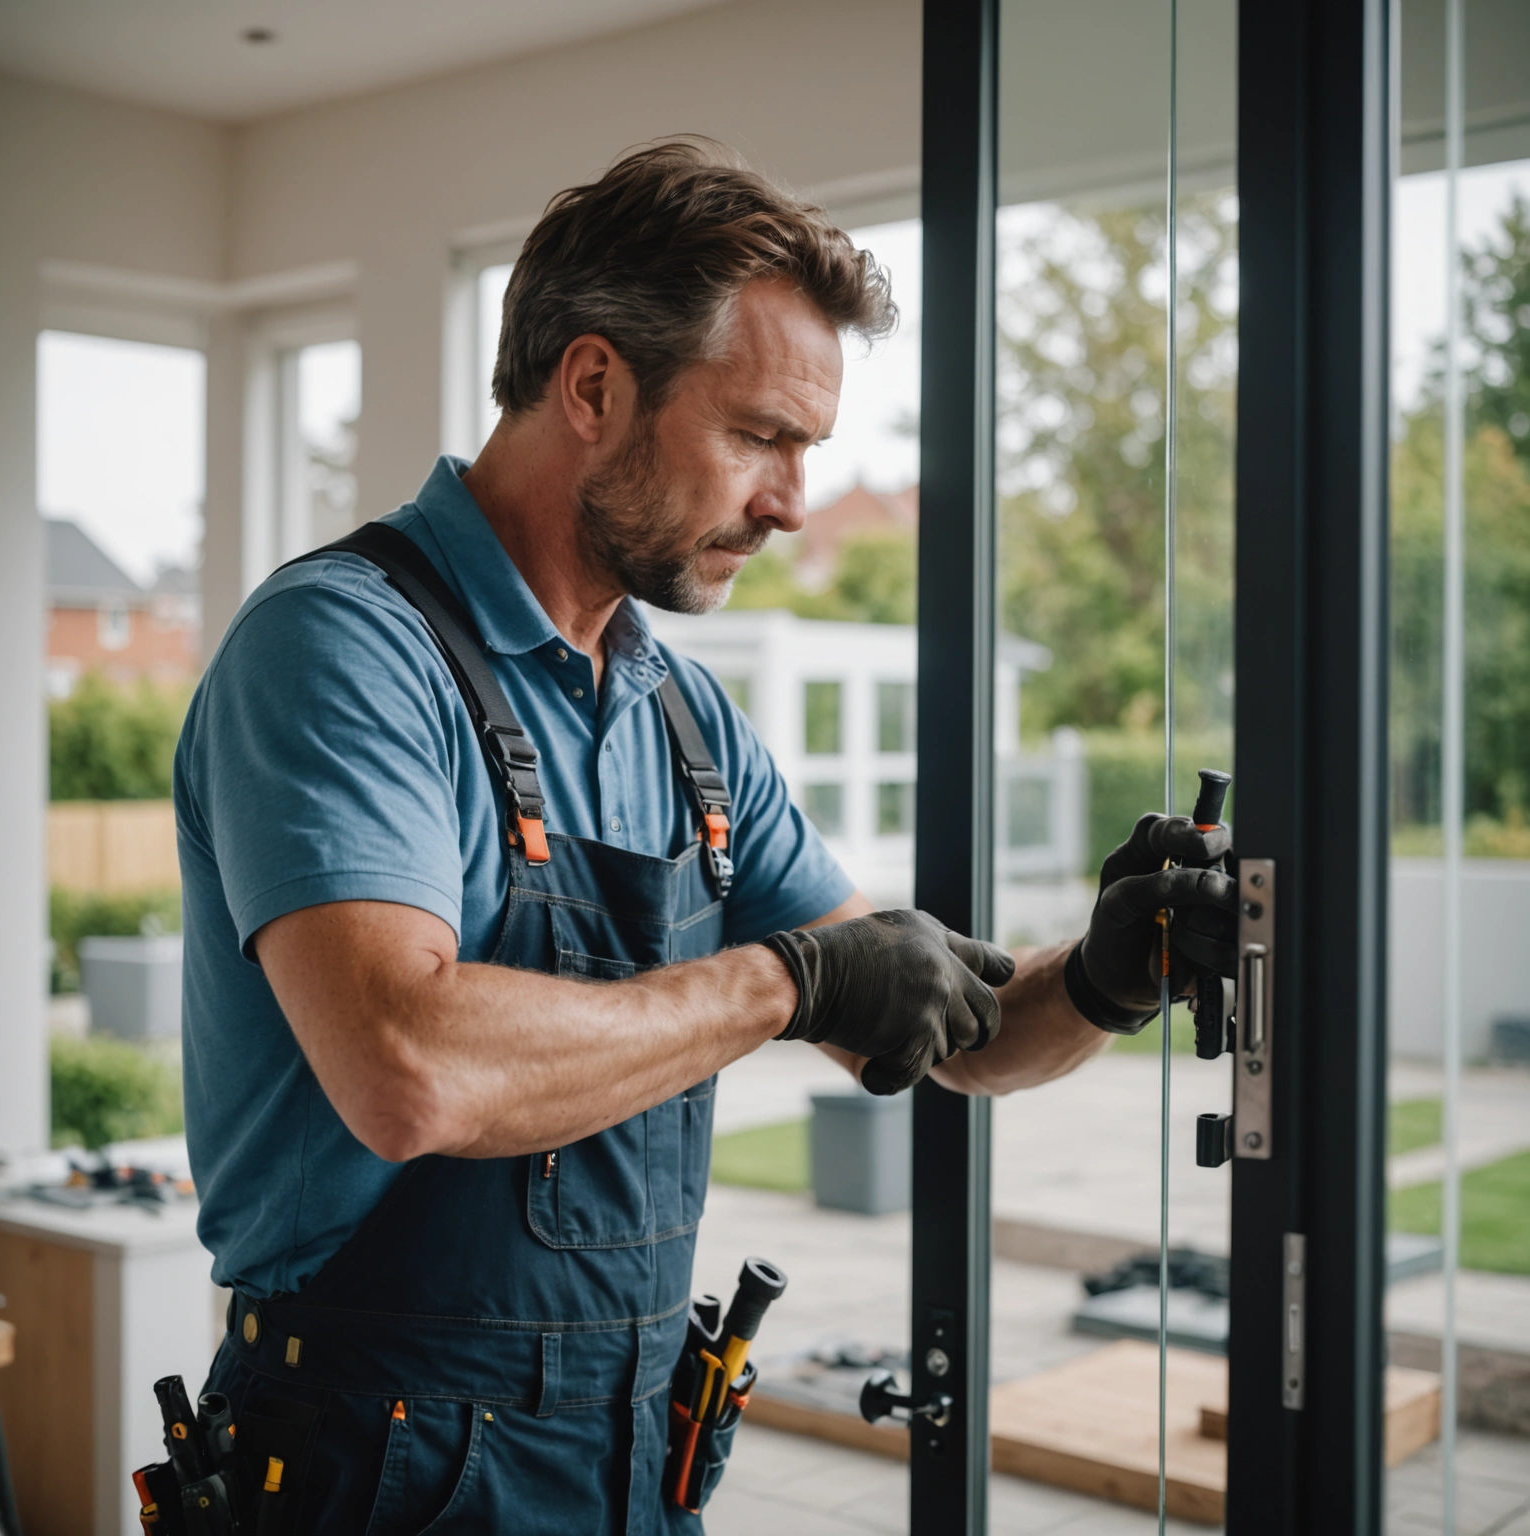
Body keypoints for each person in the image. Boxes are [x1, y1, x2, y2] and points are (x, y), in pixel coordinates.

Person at [175, 139, 1236, 1533]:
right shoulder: (342, 649)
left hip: (631, 1448)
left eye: (806, 453)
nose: (790, 503)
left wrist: (1102, 972)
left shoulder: (680, 719)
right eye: (758, 437)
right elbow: (407, 1067)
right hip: (374, 1456)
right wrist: (785, 982)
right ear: (594, 386)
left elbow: (938, 1034)